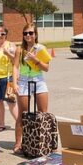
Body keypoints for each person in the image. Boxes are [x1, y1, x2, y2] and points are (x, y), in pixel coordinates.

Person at [12, 23, 51, 155]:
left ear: (35, 34)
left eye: (30, 33)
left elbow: (46, 68)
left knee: (43, 113)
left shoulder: (40, 49)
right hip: (23, 81)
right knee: (23, 115)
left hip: (38, 80)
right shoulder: (19, 50)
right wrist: (14, 83)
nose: (28, 35)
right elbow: (15, 67)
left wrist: (36, 60)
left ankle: (43, 141)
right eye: (25, 33)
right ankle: (19, 143)